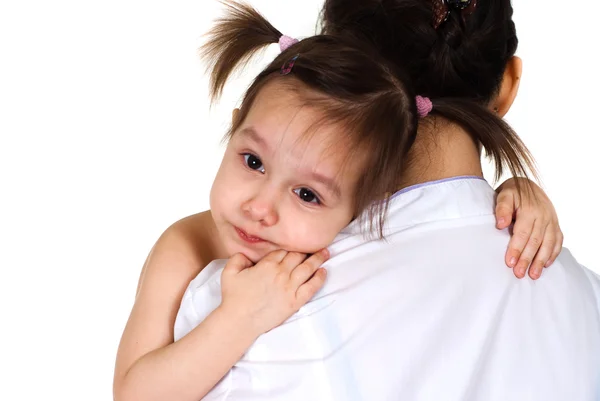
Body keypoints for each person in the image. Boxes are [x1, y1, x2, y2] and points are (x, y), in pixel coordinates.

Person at [113, 1, 579, 400]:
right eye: (252, 161)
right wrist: (237, 319)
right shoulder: (188, 249)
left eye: (308, 194)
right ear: (508, 84)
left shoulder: (307, 272)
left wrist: (518, 191)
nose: (261, 208)